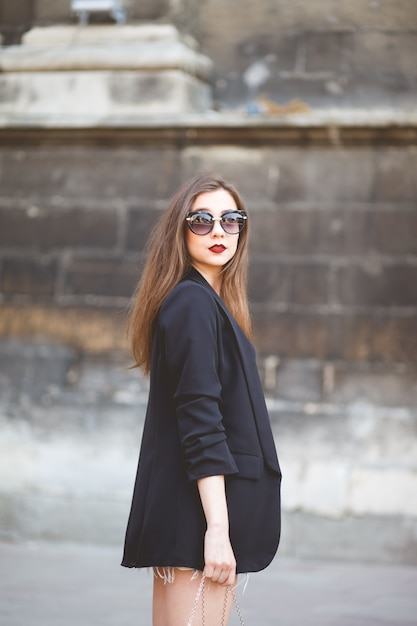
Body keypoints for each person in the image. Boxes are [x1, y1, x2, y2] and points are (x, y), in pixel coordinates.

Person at [122, 173, 281, 625]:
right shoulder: (192, 303)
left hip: (185, 515)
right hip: (197, 521)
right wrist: (218, 530)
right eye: (201, 220)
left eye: (231, 220)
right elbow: (200, 420)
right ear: (180, 229)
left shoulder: (202, 303)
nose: (218, 231)